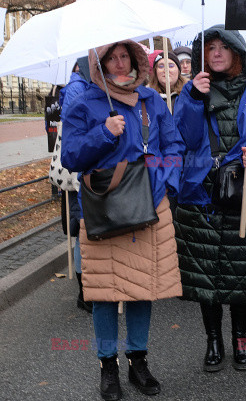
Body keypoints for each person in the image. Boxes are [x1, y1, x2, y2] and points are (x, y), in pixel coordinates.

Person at [61, 40, 184, 400]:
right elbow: (70, 156)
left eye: (124, 56)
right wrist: (104, 133)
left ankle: (138, 362)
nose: (119, 63)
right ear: (98, 64)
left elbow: (174, 148)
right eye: (110, 58)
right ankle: (108, 367)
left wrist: (161, 182)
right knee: (103, 293)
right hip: (106, 209)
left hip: (150, 205)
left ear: (135, 59)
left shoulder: (151, 101)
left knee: (142, 288)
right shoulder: (84, 103)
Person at [173, 25, 246, 372]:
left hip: (243, 196)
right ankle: (213, 340)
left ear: (236, 53)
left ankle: (240, 339)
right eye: (210, 47)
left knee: (242, 276)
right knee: (207, 278)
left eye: (223, 47)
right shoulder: (191, 93)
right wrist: (192, 97)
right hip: (201, 197)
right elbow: (183, 139)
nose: (216, 52)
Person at [59, 57, 92, 313]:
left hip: (85, 172)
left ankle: (88, 290)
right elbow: (75, 134)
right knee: (83, 230)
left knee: (84, 230)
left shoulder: (82, 85)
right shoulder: (78, 89)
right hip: (81, 173)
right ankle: (85, 292)